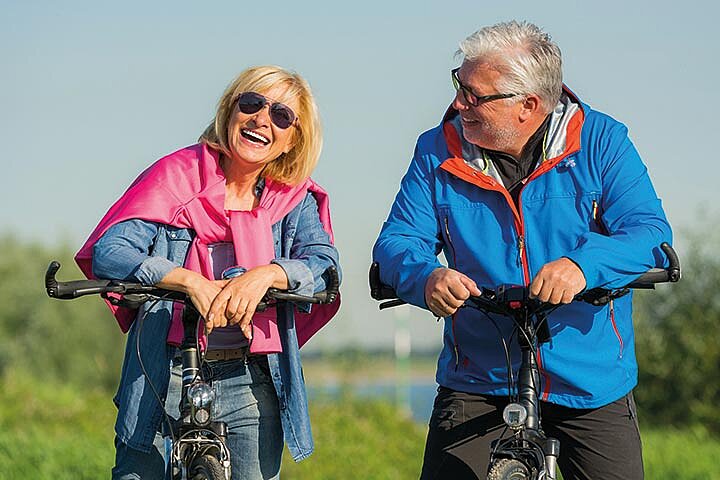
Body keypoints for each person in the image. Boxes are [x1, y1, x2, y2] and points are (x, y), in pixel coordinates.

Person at [373, 21, 671, 480]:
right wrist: (425, 277)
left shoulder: (601, 142)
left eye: (475, 95)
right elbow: (398, 241)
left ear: (527, 105)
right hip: (478, 376)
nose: (458, 103)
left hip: (589, 383)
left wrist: (581, 266)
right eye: (459, 84)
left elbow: (649, 235)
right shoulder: (436, 151)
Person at [75, 65, 341, 480]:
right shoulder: (173, 176)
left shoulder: (295, 200)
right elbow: (111, 250)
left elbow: (324, 266)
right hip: (163, 371)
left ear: (293, 141)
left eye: (281, 116)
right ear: (229, 110)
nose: (262, 120)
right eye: (251, 103)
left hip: (251, 380)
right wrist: (185, 281)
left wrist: (267, 274)